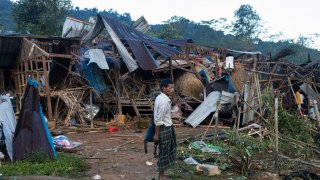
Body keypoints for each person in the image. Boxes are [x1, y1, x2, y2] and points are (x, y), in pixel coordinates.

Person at [154, 79, 176, 180]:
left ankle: (161, 176)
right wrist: (157, 134)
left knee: (165, 151)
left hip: (166, 127)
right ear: (163, 88)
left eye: (173, 87)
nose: (172, 90)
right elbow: (158, 120)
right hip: (164, 129)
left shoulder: (162, 98)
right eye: (170, 88)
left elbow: (170, 110)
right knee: (164, 153)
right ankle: (161, 177)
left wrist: (173, 99)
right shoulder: (163, 101)